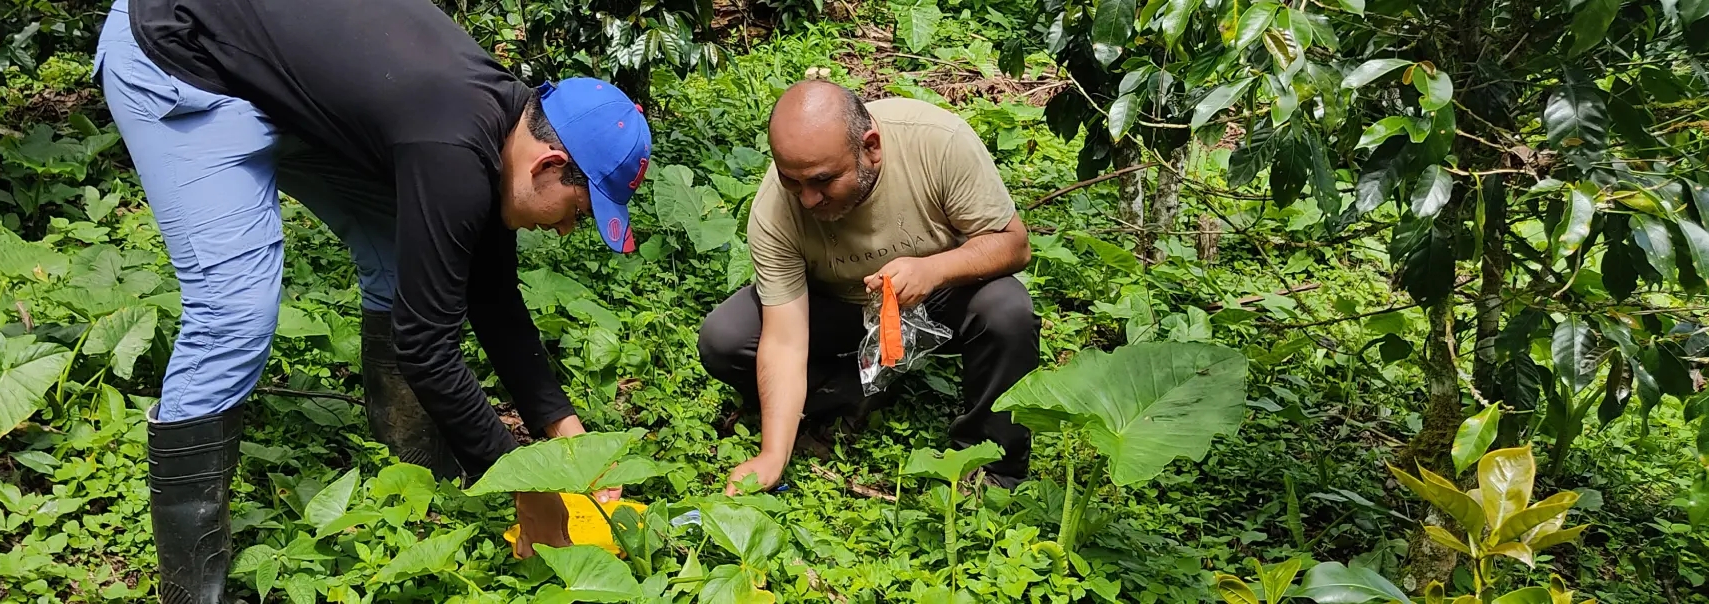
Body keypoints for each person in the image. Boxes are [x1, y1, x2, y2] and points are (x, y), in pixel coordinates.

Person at [93, 0, 652, 599]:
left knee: (396, 256)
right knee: (234, 313)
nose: (567, 229)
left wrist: (567, 434)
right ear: (550, 164)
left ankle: (418, 485)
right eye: (578, 211)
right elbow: (426, 345)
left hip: (270, 67)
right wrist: (530, 488)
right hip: (180, 54)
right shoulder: (451, 146)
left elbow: (489, 290)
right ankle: (191, 591)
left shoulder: (501, 124)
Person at [698, 80, 1043, 495]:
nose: (807, 199)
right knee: (726, 339)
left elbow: (1014, 244)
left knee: (1007, 309)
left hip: (936, 298)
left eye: (823, 181)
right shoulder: (775, 208)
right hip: (839, 308)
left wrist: (934, 271)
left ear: (871, 147)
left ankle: (993, 467)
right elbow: (785, 340)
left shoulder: (938, 143)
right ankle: (852, 389)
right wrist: (773, 456)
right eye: (793, 181)